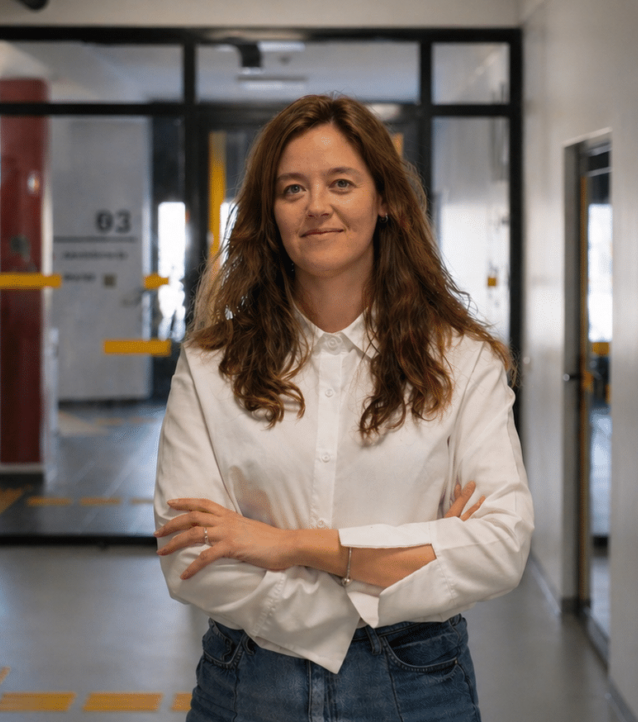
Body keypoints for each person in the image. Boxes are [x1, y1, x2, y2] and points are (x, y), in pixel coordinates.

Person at [154, 94, 533, 722]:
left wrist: (290, 546)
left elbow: (499, 547)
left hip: (416, 688)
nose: (316, 206)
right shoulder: (210, 365)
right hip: (247, 686)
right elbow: (192, 556)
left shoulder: (461, 361)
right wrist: (413, 557)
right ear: (271, 213)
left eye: (341, 183)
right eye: (292, 189)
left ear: (384, 200)